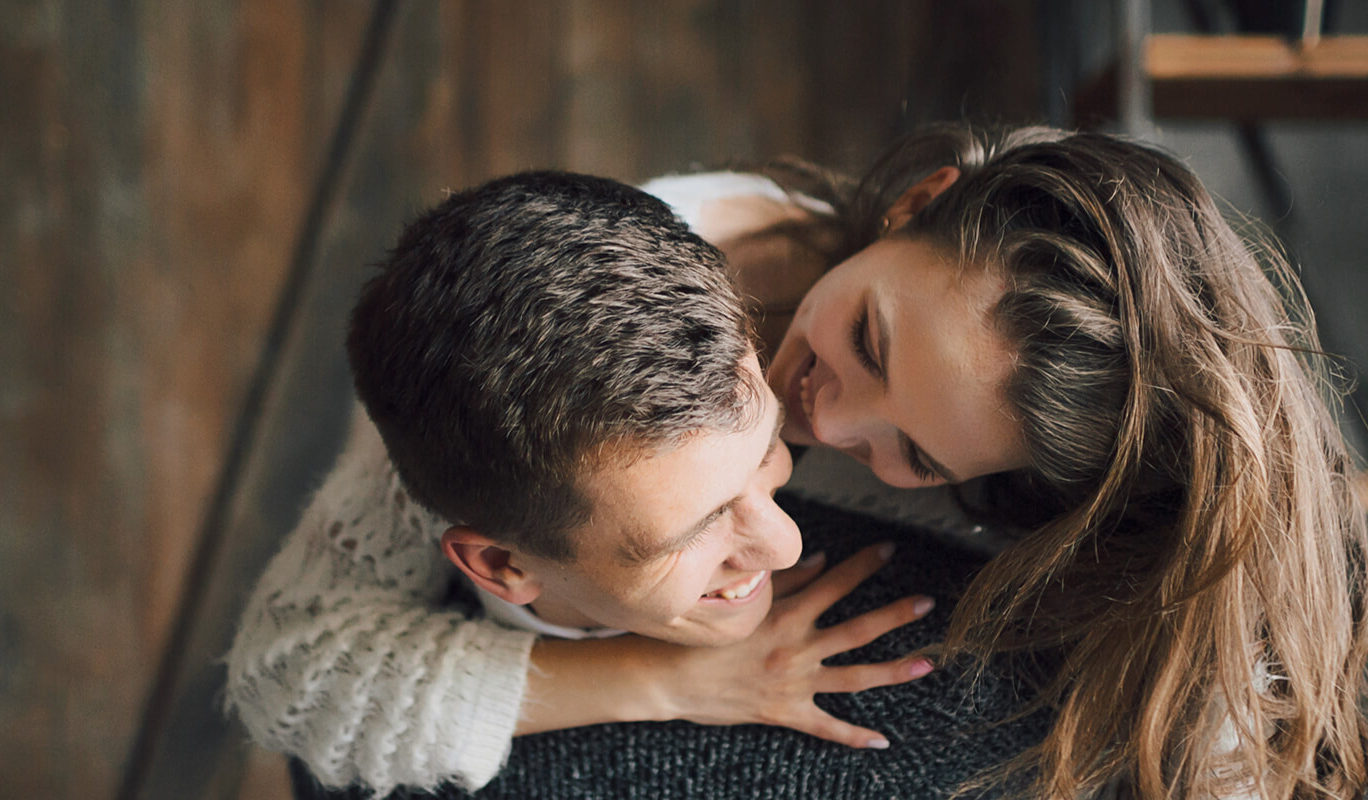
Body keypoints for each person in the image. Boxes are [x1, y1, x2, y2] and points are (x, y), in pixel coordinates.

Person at [245, 122, 1368, 800]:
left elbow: (1224, 685)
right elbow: (297, 657)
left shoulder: (1049, 438)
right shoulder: (573, 312)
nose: (829, 409)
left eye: (912, 450)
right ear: (920, 201)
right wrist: (668, 681)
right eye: (867, 336)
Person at [224, 171, 938, 794]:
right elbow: (287, 677)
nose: (784, 546)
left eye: (765, 456)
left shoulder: (703, 311)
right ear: (502, 567)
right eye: (697, 528)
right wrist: (666, 679)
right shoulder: (441, 461)